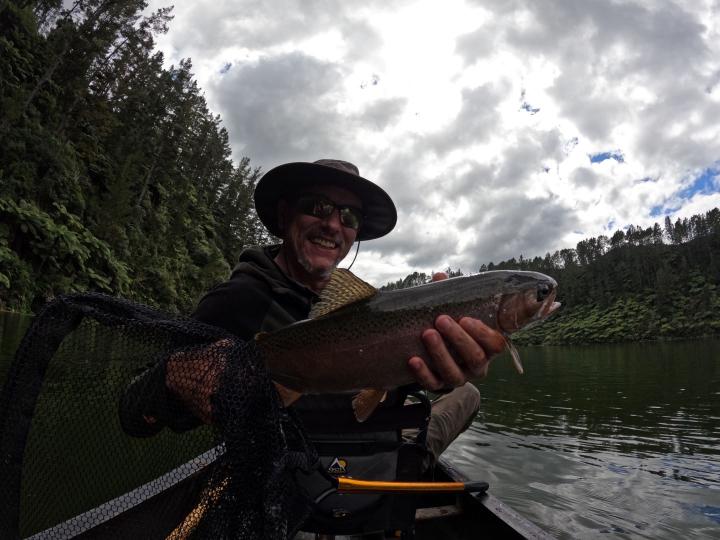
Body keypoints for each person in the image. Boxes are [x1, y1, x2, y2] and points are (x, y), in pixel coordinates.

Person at [119, 158, 506, 470]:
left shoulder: (367, 310)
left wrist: (440, 375)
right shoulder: (238, 301)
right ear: (286, 214)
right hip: (288, 477)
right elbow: (133, 414)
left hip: (382, 463)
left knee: (465, 392)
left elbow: (398, 379)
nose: (333, 224)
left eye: (349, 217)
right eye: (317, 207)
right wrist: (176, 381)